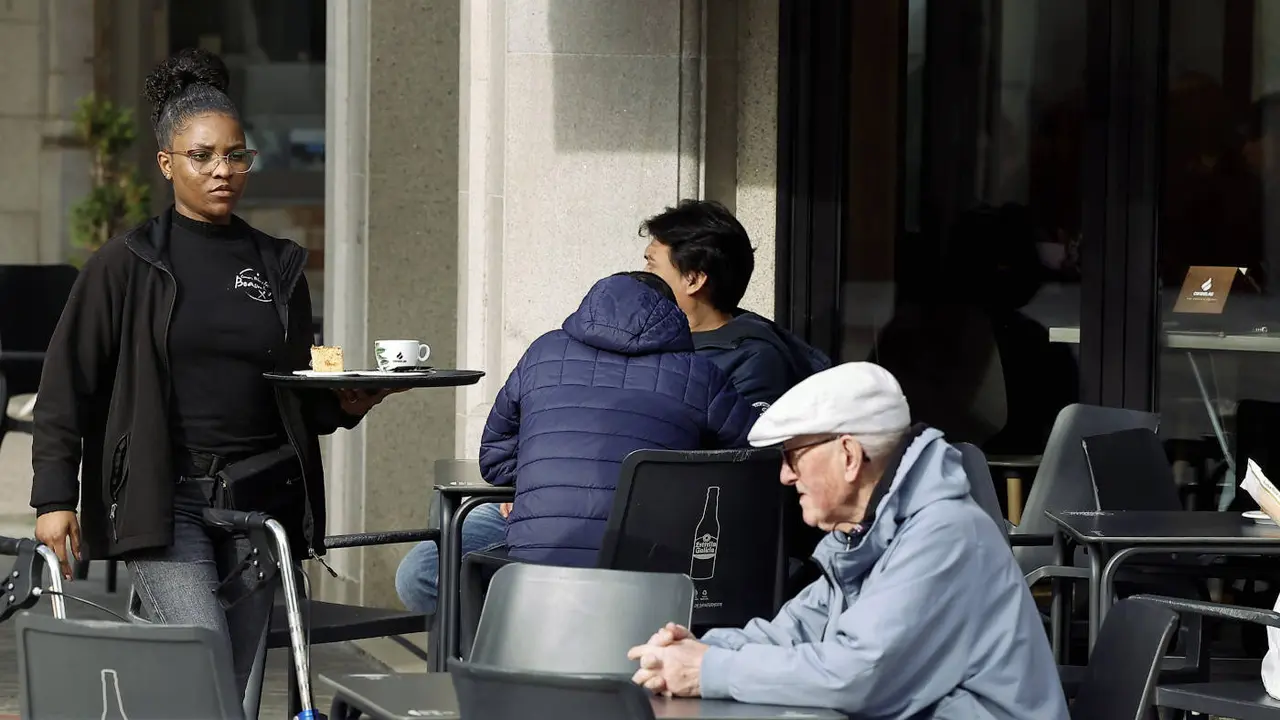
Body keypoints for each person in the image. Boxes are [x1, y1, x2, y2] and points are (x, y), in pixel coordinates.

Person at [30, 48, 394, 700]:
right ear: (167, 164)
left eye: (235, 155)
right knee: (205, 669)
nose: (222, 171)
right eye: (202, 157)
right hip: (165, 500)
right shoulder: (125, 264)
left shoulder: (278, 264)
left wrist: (346, 403)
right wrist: (54, 498)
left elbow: (294, 395)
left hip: (260, 498)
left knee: (240, 687)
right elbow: (66, 385)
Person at [627, 362, 1068, 720]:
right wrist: (699, 650)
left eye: (793, 456)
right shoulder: (870, 535)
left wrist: (706, 670)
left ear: (849, 456)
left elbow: (858, 677)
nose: (785, 475)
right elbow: (792, 632)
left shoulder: (946, 534)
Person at [395, 272, 755, 610]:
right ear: (671, 316)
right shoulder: (699, 375)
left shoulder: (543, 353)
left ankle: (500, 641)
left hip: (537, 562)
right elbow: (754, 456)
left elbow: (494, 459)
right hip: (649, 575)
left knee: (429, 569)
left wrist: (543, 477)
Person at [640, 200, 829, 410]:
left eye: (651, 264)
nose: (643, 275)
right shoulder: (642, 337)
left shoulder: (753, 361)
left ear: (693, 280)